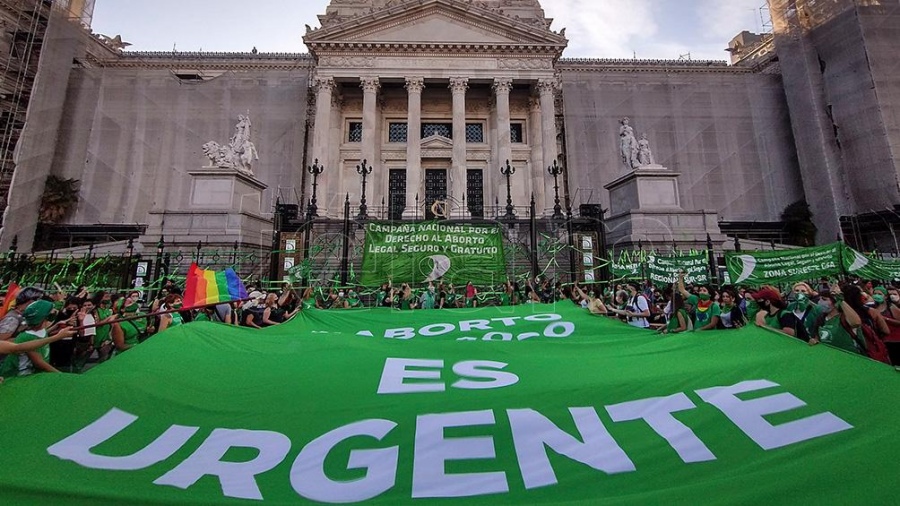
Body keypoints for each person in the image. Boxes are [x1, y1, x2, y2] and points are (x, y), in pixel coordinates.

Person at [0, 300, 74, 379]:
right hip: (20, 377)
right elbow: (38, 363)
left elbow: (41, 335)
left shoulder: (38, 331)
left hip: (34, 375)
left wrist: (56, 326)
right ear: (45, 317)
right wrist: (62, 376)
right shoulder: (27, 337)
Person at [809, 288, 863, 354]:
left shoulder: (844, 317)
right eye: (819, 299)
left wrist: (841, 301)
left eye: (824, 299)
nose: (820, 302)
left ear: (835, 302)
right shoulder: (820, 319)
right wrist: (814, 341)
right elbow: (817, 338)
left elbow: (856, 323)